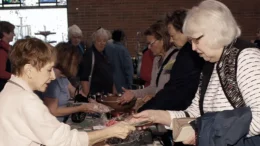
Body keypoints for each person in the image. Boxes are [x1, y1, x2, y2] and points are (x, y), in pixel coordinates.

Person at [131, 0, 260, 145]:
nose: (192, 47)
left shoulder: (246, 57)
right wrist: (157, 116)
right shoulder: (210, 64)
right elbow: (195, 114)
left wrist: (204, 134)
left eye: (196, 40)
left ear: (216, 32)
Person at [0, 38, 135, 146]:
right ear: (29, 70)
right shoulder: (26, 100)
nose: (53, 76)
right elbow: (64, 141)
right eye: (48, 70)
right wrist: (109, 132)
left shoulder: (11, 90)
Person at [42, 43, 110, 122]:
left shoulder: (63, 77)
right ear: (69, 62)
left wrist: (90, 101)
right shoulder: (53, 80)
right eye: (76, 63)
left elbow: (74, 92)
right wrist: (80, 108)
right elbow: (53, 111)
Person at [119, 21, 179, 105]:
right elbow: (153, 87)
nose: (149, 47)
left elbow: (178, 91)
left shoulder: (176, 57)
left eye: (151, 43)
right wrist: (133, 93)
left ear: (162, 40)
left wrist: (155, 96)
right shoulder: (157, 59)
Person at [79, 27, 114, 96]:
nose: (102, 43)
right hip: (94, 95)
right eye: (99, 41)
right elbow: (84, 78)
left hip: (106, 95)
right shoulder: (89, 55)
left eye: (104, 41)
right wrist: (87, 97)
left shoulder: (105, 54)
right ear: (94, 41)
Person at [105, 29, 133, 93]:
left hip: (108, 83)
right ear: (122, 38)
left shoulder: (106, 48)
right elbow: (128, 68)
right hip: (121, 84)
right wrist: (130, 84)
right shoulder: (123, 50)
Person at [0, 21, 15, 91]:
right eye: (12, 32)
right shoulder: (2, 51)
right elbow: (1, 72)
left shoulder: (7, 49)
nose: (14, 34)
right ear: (5, 33)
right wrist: (16, 77)